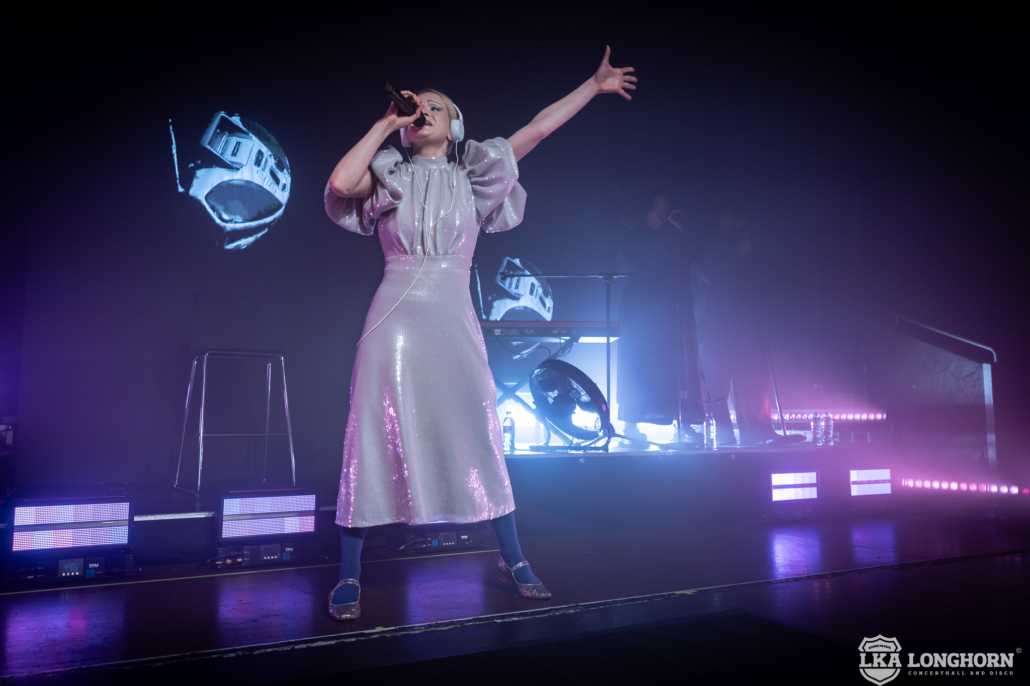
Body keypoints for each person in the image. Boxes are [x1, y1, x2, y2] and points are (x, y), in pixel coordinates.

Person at [323, 47, 637, 620]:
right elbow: (341, 182)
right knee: (371, 430)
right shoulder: (390, 172)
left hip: (452, 314)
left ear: (455, 124)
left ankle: (512, 556)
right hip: (394, 316)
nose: (423, 111)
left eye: (435, 106)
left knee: (479, 428)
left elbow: (538, 129)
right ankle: (349, 571)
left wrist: (593, 87)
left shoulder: (475, 174)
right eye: (416, 106)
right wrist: (385, 124)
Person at [691, 206, 784, 446]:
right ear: (718, 218)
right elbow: (710, 273)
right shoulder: (707, 245)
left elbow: (764, 271)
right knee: (717, 382)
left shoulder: (745, 242)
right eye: (727, 214)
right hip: (717, 322)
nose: (733, 219)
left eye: (735, 214)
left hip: (746, 321)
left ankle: (757, 431)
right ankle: (723, 433)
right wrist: (738, 254)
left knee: (752, 378)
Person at [617, 194, 704, 445]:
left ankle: (683, 422)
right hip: (644, 308)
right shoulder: (633, 237)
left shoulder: (675, 235)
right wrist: (671, 237)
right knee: (640, 362)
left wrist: (682, 228)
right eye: (658, 205)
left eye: (666, 205)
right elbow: (642, 264)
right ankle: (631, 424)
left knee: (677, 363)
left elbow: (699, 253)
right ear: (643, 210)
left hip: (674, 306)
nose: (663, 210)